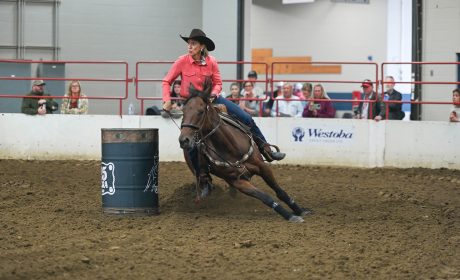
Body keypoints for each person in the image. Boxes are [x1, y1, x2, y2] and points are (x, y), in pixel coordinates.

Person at [161, 28, 285, 172]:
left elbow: (218, 83)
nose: (189, 46)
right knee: (189, 140)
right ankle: (202, 177)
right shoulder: (181, 61)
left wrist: (213, 93)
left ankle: (266, 149)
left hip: (213, 99)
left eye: (193, 43)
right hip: (193, 105)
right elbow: (166, 81)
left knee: (246, 118)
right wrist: (167, 99)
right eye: (188, 43)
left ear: (202, 46)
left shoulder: (212, 61)